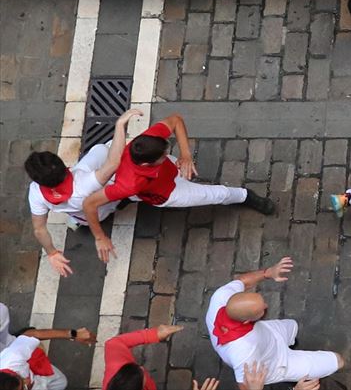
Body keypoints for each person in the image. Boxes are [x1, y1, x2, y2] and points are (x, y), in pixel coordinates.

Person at [81, 113, 275, 263]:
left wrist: (185, 154)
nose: (167, 153)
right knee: (216, 194)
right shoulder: (128, 184)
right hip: (168, 193)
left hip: (170, 172)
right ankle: (245, 196)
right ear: (147, 165)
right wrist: (100, 237)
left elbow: (175, 120)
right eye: (163, 155)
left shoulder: (147, 142)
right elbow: (89, 204)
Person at [25, 109, 141, 277]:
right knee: (102, 151)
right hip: (101, 208)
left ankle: (76, 221)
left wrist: (52, 252)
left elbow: (39, 229)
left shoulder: (36, 193)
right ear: (63, 167)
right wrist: (120, 125)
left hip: (84, 217)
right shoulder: (84, 183)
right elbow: (113, 163)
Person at [205, 257, 344, 388]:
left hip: (270, 333)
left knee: (292, 325)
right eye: (261, 309)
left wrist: (268, 273)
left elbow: (243, 281)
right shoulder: (244, 354)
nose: (266, 305)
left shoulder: (221, 296)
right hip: (278, 363)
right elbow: (246, 387)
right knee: (338, 361)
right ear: (247, 320)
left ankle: (292, 343)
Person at [0, 316, 95, 390]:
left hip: (38, 375)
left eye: (19, 377)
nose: (27, 381)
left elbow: (32, 335)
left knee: (61, 382)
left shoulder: (12, 359)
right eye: (23, 388)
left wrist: (74, 334)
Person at [103, 323, 184, 389]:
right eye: (141, 376)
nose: (141, 368)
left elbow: (114, 343)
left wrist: (153, 334)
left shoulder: (116, 365)